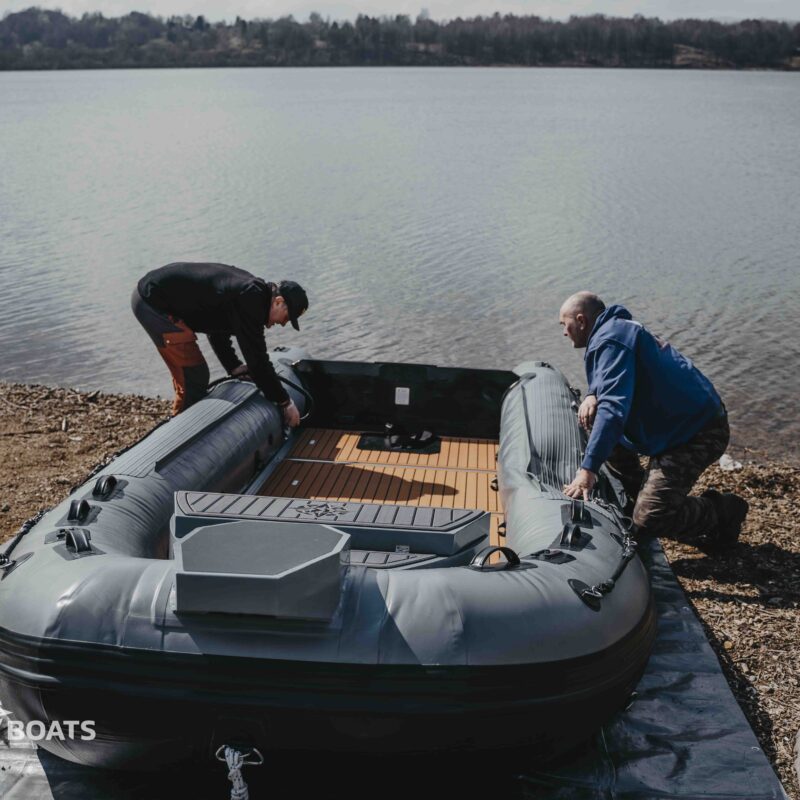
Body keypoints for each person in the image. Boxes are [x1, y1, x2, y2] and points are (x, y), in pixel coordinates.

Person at [558, 291, 748, 547]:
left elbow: (613, 409)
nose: (564, 332)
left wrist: (588, 470)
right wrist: (592, 393)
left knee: (650, 519)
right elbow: (611, 377)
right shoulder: (613, 331)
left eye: (565, 324)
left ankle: (722, 511)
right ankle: (638, 492)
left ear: (581, 320)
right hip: (672, 427)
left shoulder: (611, 340)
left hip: (697, 432)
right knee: (594, 418)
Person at [132, 262, 308, 425]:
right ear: (278, 302)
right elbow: (257, 360)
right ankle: (180, 430)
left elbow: (217, 329)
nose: (283, 323)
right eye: (287, 318)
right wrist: (285, 402)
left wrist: (233, 366)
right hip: (153, 302)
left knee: (195, 374)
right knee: (194, 375)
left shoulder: (251, 294)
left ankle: (190, 422)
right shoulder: (252, 299)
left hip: (155, 295)